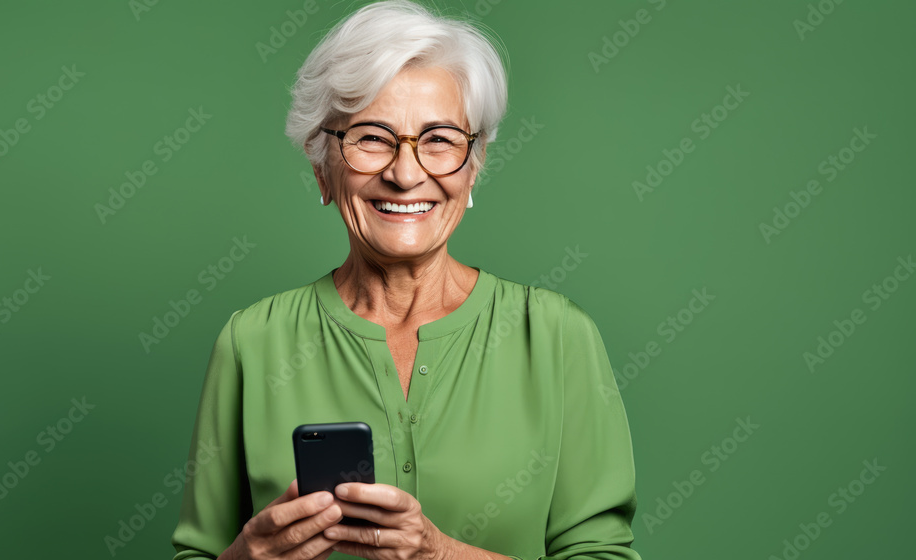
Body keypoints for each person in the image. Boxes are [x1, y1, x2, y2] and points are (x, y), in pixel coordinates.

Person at [170, 1, 642, 559]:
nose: (405, 172)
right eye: (372, 137)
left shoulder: (558, 338)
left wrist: (438, 554)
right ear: (323, 166)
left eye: (439, 139)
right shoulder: (251, 341)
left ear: (474, 166)